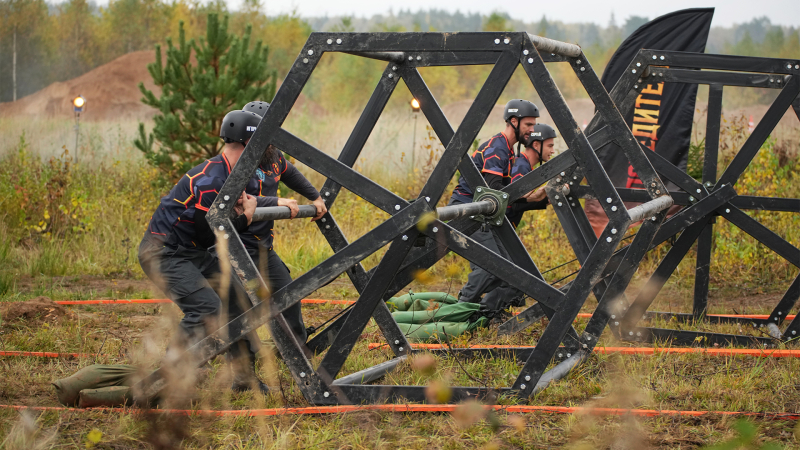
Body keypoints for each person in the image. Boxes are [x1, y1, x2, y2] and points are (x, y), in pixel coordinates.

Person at [138, 109, 297, 395]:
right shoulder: (211, 179)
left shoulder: (233, 172)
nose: (268, 152)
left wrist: (261, 204)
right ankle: (168, 382)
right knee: (206, 308)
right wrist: (246, 217)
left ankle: (244, 379)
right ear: (248, 145)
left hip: (194, 250)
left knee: (238, 302)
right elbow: (209, 232)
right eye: (261, 145)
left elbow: (241, 204)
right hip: (164, 252)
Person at [232, 101, 327, 344]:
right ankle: (203, 354)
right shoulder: (237, 159)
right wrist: (276, 201)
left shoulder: (273, 156)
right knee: (237, 310)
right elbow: (238, 199)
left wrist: (315, 197)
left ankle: (295, 349)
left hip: (263, 247)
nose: (273, 140)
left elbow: (291, 173)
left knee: (289, 295)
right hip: (236, 246)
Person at [449, 99, 540, 310]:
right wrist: (524, 197)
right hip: (468, 211)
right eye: (528, 125)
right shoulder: (496, 148)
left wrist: (531, 197)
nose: (532, 130)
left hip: (484, 212)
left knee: (513, 267)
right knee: (490, 267)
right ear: (514, 121)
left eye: (534, 125)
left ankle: (487, 313)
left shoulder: (509, 151)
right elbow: (493, 191)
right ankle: (458, 312)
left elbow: (504, 194)